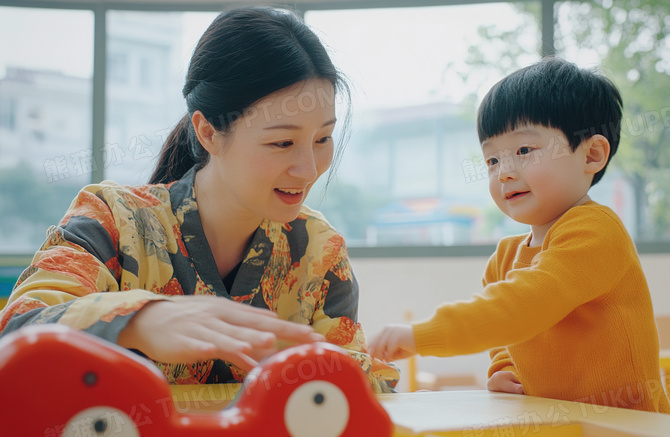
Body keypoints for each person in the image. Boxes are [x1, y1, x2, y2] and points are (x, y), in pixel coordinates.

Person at [0, 6, 398, 393]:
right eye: (282, 142)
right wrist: (139, 320)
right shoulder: (112, 221)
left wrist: (321, 369)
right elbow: (17, 332)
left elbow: (360, 391)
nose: (309, 169)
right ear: (208, 133)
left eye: (322, 139)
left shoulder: (319, 251)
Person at [369, 57, 670, 412]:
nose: (504, 173)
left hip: (626, 425)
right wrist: (503, 368)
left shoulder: (596, 231)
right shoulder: (505, 258)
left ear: (591, 154)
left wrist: (424, 334)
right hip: (556, 423)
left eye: (524, 151)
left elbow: (522, 306)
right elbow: (505, 332)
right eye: (492, 161)